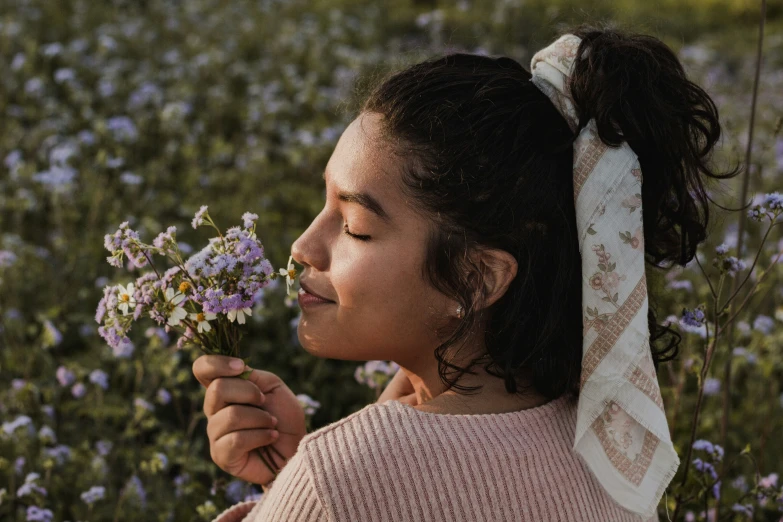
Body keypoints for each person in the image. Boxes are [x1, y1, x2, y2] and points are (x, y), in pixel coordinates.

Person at [193, 23, 739, 522]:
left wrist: (303, 490)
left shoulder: (340, 483)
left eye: (355, 225)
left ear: (477, 279)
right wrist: (293, 479)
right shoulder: (608, 443)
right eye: (324, 205)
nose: (304, 245)